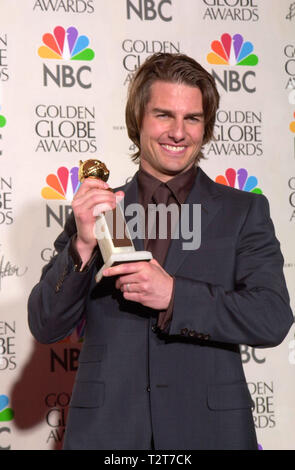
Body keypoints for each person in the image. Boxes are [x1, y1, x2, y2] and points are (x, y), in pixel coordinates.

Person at [28, 53, 293, 450]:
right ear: (138, 120)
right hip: (108, 432)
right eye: (164, 115)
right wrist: (83, 244)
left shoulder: (243, 211)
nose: (178, 132)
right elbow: (46, 324)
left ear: (206, 127)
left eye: (193, 118)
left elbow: (272, 318)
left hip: (210, 433)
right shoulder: (101, 209)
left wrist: (174, 296)